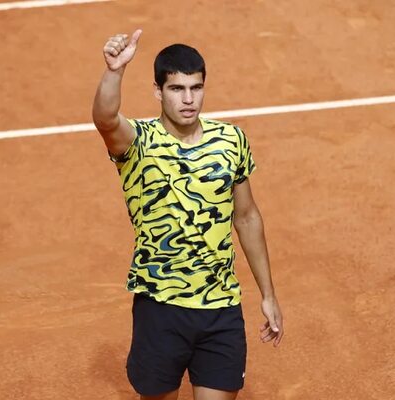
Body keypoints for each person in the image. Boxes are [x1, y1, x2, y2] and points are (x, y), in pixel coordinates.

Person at [92, 29, 284, 400]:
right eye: (177, 89)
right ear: (157, 91)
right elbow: (104, 118)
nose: (189, 99)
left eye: (196, 88)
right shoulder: (138, 142)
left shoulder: (231, 141)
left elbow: (246, 217)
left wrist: (268, 294)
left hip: (220, 308)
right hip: (160, 308)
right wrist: (115, 71)